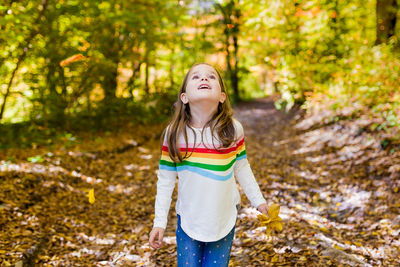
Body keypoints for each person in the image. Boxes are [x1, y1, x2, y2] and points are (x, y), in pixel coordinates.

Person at [149, 62, 270, 266]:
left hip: (223, 219)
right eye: (196, 77)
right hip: (189, 220)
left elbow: (241, 167)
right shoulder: (174, 134)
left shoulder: (232, 130)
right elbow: (165, 181)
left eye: (211, 77)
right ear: (184, 97)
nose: (204, 79)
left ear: (222, 96)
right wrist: (159, 223)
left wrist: (259, 201)